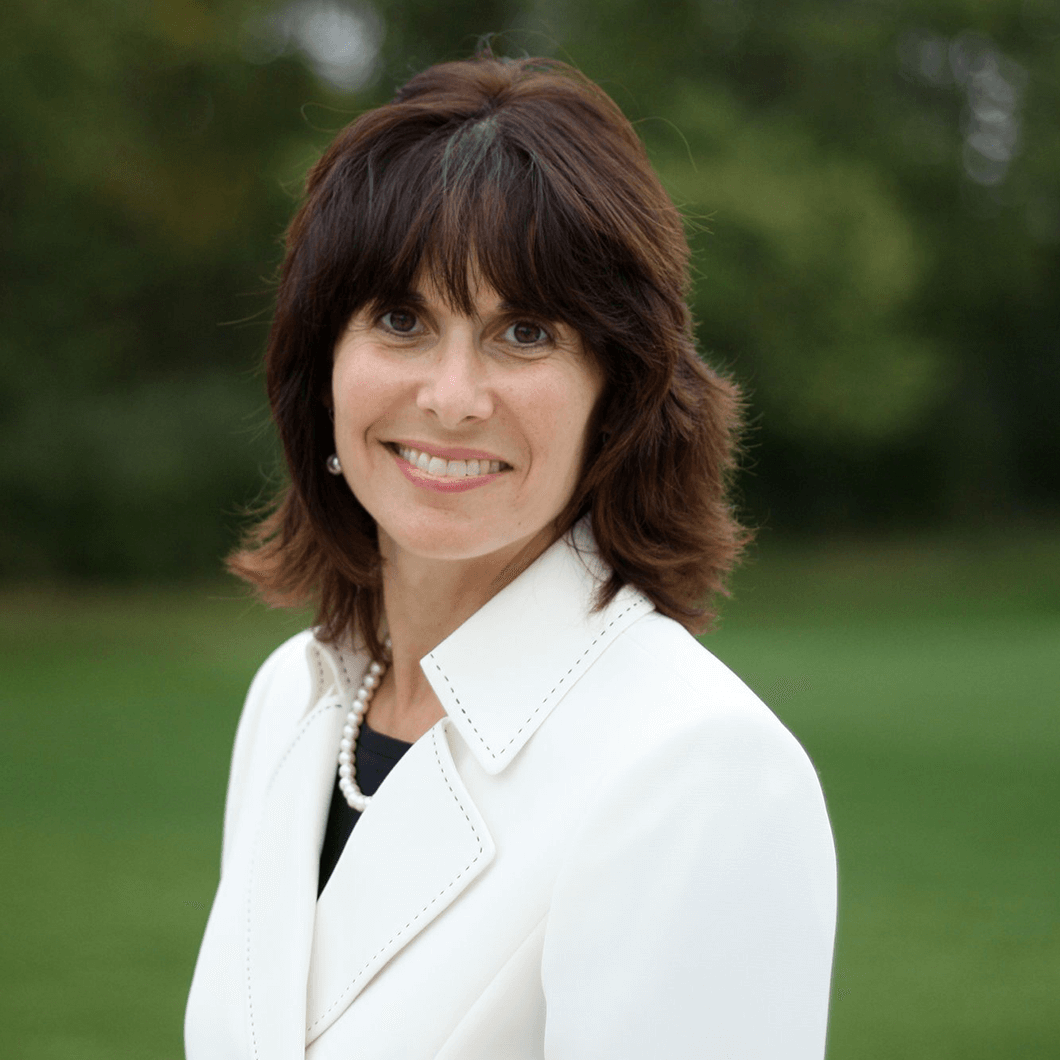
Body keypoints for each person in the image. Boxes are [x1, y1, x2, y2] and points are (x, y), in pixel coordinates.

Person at [184, 53, 836, 1059]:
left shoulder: (700, 770)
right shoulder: (292, 697)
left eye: (523, 332)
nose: (451, 396)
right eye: (401, 319)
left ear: (615, 396)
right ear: (321, 364)